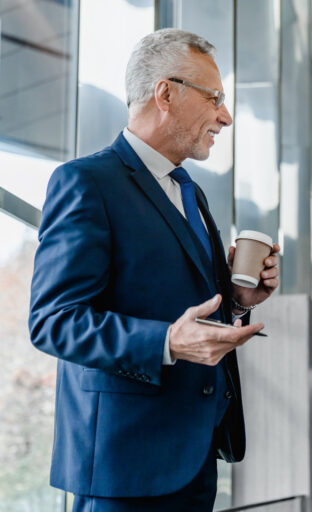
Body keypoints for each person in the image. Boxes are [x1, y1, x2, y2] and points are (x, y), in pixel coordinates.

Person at [28, 29, 279, 511]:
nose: (225, 116)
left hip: (195, 458)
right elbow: (52, 321)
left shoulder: (190, 192)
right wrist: (166, 342)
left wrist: (239, 302)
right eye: (215, 98)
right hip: (123, 468)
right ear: (166, 93)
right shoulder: (85, 183)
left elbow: (188, 307)